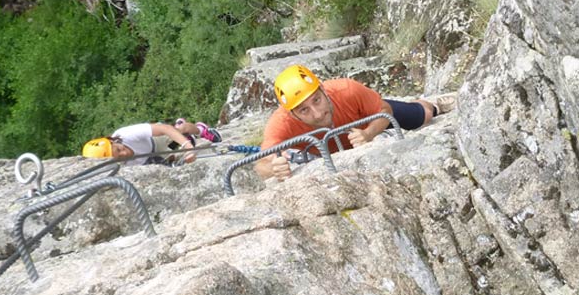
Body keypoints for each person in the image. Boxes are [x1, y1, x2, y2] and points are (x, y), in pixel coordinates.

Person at [255, 64, 456, 180]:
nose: (316, 114)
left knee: (422, 116)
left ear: (323, 90)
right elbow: (262, 162)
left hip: (366, 121)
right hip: (336, 149)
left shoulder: (346, 90)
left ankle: (430, 102)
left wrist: (368, 133)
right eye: (304, 110)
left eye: (316, 100)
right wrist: (273, 169)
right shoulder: (281, 122)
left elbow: (384, 110)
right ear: (292, 114)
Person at [82, 120, 221, 166]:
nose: (124, 153)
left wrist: (188, 147)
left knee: (180, 130)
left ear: (112, 141)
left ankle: (201, 130)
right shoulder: (118, 167)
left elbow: (163, 129)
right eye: (119, 157)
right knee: (174, 157)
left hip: (155, 140)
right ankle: (178, 144)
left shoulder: (125, 134)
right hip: (151, 158)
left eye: (119, 149)